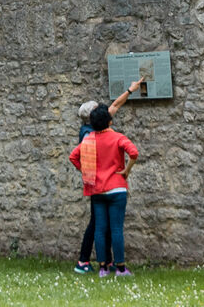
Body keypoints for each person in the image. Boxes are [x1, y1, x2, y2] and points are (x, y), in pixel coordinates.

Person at [65, 103, 138, 278]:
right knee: (116, 229)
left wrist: (86, 171)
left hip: (97, 189)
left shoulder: (88, 139)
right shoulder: (118, 137)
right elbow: (134, 153)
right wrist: (126, 170)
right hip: (117, 188)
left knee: (99, 229)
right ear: (110, 122)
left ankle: (103, 268)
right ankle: (120, 268)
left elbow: (73, 157)